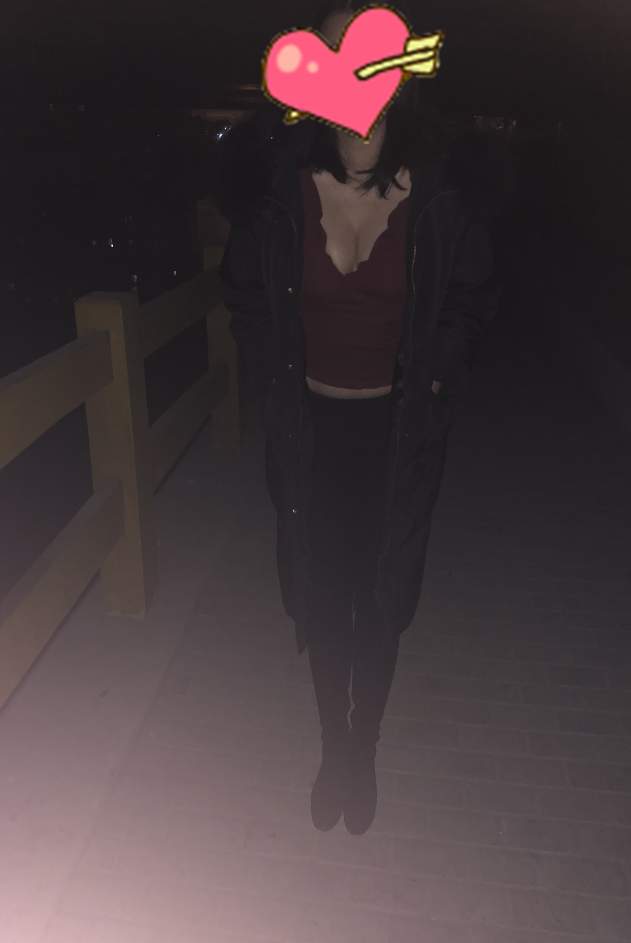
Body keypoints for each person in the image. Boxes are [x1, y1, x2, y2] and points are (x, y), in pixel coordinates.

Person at [219, 0, 500, 836]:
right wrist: (271, 371)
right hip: (308, 432)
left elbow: (471, 297)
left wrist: (437, 373)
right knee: (320, 596)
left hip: (397, 435)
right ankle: (330, 745)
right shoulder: (281, 196)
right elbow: (243, 291)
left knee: (378, 599)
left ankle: (361, 747)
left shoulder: (438, 199)